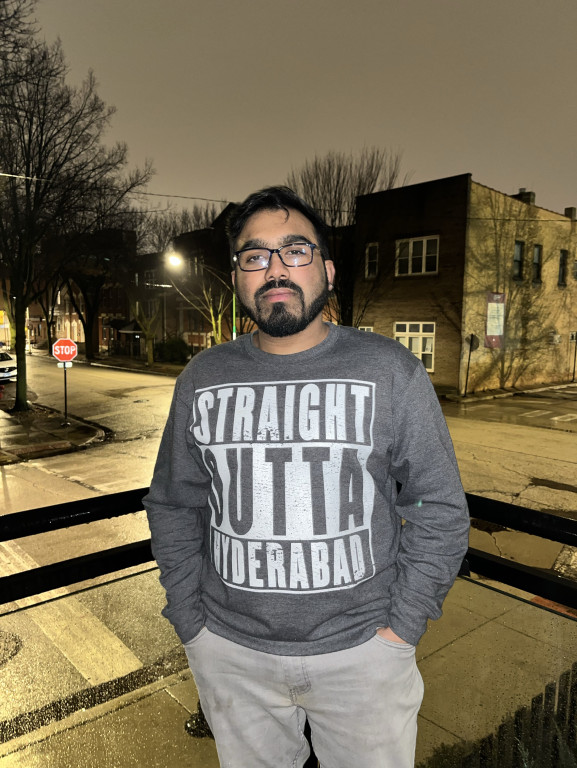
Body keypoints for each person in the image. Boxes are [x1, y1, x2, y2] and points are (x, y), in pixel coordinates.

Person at [144, 186, 470, 768]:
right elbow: (174, 502)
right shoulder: (203, 377)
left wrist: (401, 628)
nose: (275, 269)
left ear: (328, 270)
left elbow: (437, 505)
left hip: (364, 654)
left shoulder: (390, 370)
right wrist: (192, 623)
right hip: (230, 652)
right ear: (238, 278)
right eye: (255, 256)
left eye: (295, 250)